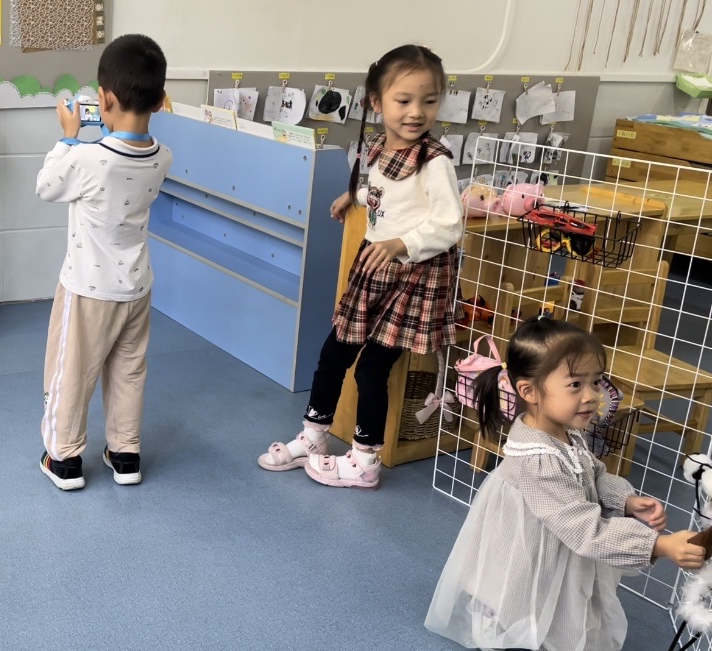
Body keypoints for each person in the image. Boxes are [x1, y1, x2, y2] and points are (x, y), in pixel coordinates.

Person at [425, 317, 705, 650]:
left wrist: (625, 500)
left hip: (559, 539)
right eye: (575, 384)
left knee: (558, 600)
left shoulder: (566, 432)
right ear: (529, 391)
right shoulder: (537, 461)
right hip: (539, 546)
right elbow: (586, 531)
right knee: (535, 603)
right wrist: (659, 545)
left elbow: (592, 473)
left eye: (596, 382)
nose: (591, 396)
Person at [256, 44, 462, 490]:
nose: (416, 112)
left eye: (429, 101)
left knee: (371, 369)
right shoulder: (379, 147)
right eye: (403, 100)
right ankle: (314, 435)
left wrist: (401, 243)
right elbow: (386, 192)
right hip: (374, 269)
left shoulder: (435, 161)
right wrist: (354, 196)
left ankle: (366, 460)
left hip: (413, 279)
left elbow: (450, 224)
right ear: (376, 102)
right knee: (334, 353)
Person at [34, 34, 172, 490]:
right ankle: (126, 454)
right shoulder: (163, 157)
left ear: (104, 99)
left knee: (72, 372)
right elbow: (124, 155)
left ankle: (65, 459)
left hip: (88, 291)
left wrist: (67, 137)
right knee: (129, 371)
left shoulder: (87, 158)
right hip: (137, 288)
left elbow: (46, 187)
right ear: (161, 100)